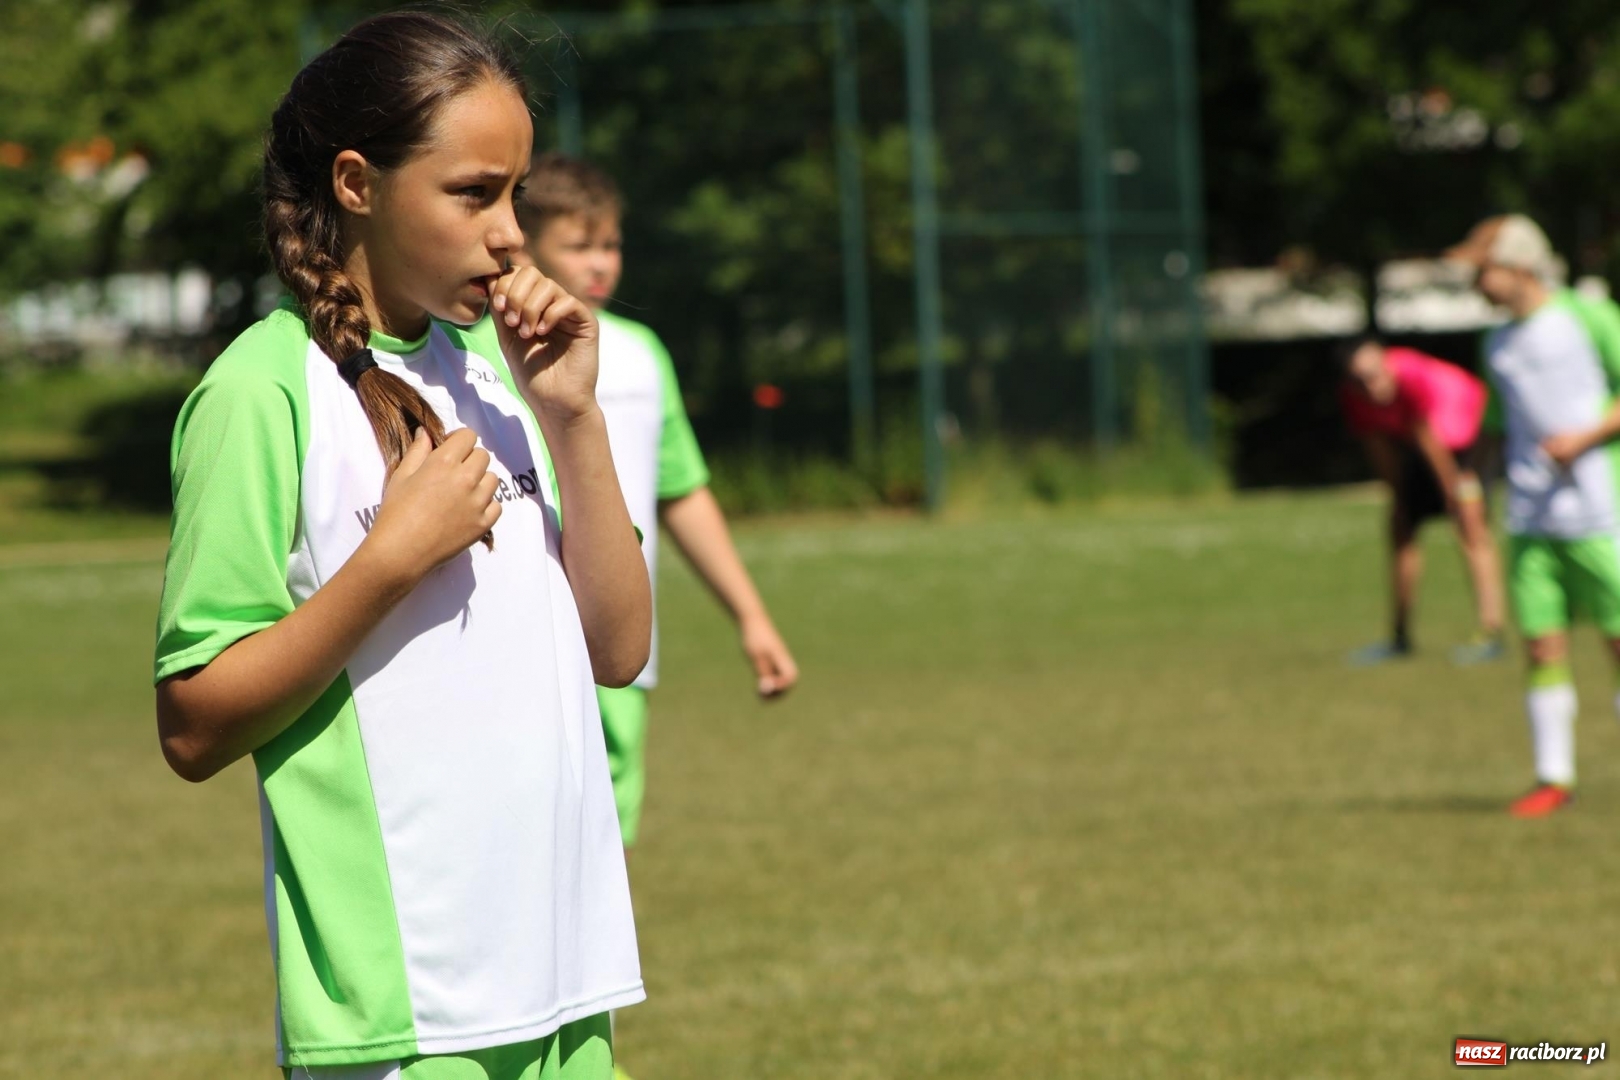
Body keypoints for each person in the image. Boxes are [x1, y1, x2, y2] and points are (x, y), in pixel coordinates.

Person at [152, 13, 650, 1078]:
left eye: (515, 193)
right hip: (408, 1018)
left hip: (568, 984)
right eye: (474, 193)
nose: (511, 232)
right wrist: (389, 562)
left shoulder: (498, 370)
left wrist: (573, 419)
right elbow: (193, 722)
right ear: (354, 183)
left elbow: (617, 649)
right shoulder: (263, 392)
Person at [514, 154, 799, 854]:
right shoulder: (485, 352)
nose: (600, 263)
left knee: (607, 849)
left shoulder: (643, 355)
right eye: (577, 246)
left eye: (609, 244)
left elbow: (683, 494)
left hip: (623, 646)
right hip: (527, 647)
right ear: (524, 245)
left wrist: (752, 617)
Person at [1448, 214, 1620, 817]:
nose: (1477, 284)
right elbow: (1497, 426)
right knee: (1543, 648)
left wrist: (1588, 435)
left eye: (1483, 270)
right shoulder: (1495, 342)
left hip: (1601, 513)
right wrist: (1472, 485)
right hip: (1531, 520)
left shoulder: (1588, 317)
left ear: (1520, 265)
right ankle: (1554, 776)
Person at [1338, 336, 1504, 665]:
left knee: (1470, 529)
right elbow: (1379, 446)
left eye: (1375, 374)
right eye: (1361, 380)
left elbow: (1429, 436)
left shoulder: (1412, 375)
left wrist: (1453, 492)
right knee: (1401, 528)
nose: (1372, 386)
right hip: (1421, 444)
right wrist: (1398, 494)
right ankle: (1399, 637)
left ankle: (1491, 632)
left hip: (1468, 442)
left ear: (1386, 362)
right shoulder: (1353, 397)